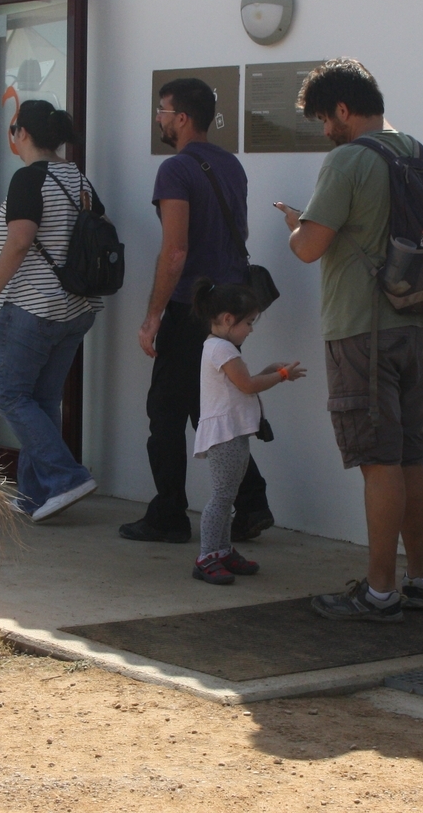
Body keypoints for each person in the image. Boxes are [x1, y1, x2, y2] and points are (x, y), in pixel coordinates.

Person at [275, 58, 423, 622]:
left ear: (343, 109)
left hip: (361, 330)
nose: (327, 131)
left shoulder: (348, 159)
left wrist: (295, 226)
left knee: (378, 461)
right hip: (418, 324)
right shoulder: (413, 150)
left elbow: (309, 248)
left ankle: (379, 592)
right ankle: (419, 579)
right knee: (410, 456)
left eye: (326, 119)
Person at [124, 77, 277, 543]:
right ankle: (252, 504)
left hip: (191, 309)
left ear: (182, 118)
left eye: (162, 111)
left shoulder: (175, 170)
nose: (158, 119)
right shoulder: (231, 165)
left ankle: (169, 514)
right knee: (208, 407)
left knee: (166, 414)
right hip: (227, 308)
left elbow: (176, 251)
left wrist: (153, 316)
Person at [0, 100, 102, 522]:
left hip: (32, 306)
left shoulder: (29, 178)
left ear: (21, 133)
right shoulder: (77, 178)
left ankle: (66, 477)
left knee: (8, 395)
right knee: (42, 399)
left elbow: (20, 240)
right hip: (75, 307)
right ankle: (34, 493)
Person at [187, 279, 305, 584]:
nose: (251, 330)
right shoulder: (222, 349)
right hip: (225, 435)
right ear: (228, 319)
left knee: (228, 495)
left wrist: (270, 371)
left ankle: (222, 551)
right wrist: (281, 375)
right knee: (222, 497)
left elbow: (242, 384)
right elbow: (248, 385)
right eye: (249, 322)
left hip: (233, 432)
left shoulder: (220, 347)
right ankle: (206, 557)